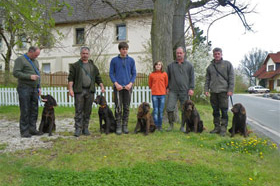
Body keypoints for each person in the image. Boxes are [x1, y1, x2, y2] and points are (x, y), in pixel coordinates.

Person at [68, 46, 105, 137]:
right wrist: (70, 89)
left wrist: (101, 86)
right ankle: (78, 129)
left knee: (88, 110)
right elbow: (70, 78)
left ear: (89, 54)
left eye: (86, 53)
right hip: (79, 91)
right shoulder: (75, 66)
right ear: (80, 54)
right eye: (83, 53)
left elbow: (98, 77)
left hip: (90, 91)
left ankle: (85, 128)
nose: (85, 55)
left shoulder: (93, 66)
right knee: (79, 110)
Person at [13, 46, 43, 138]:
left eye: (38, 55)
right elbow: (16, 73)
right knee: (25, 109)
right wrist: (29, 77)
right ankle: (24, 131)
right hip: (24, 88)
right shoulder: (20, 60)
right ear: (30, 52)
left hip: (34, 88)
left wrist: (39, 87)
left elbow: (38, 75)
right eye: (35, 55)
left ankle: (32, 129)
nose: (36, 57)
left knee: (34, 109)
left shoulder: (35, 61)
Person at [204, 47, 234, 136]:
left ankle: (223, 128)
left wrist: (230, 89)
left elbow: (231, 78)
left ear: (221, 54)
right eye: (215, 54)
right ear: (213, 55)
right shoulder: (210, 67)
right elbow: (207, 79)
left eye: (218, 54)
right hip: (213, 91)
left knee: (224, 111)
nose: (217, 55)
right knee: (215, 110)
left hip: (224, 91)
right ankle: (217, 127)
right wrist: (206, 89)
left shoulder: (227, 64)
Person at [109, 42, 136, 135]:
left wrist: (130, 84)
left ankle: (125, 125)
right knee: (118, 107)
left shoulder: (131, 60)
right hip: (118, 88)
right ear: (119, 50)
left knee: (126, 107)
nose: (124, 50)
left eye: (126, 49)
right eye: (123, 49)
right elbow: (111, 73)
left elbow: (134, 73)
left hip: (128, 87)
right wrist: (116, 83)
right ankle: (119, 126)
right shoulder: (114, 60)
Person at [166, 47, 195, 132]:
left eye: (180, 53)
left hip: (185, 91)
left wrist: (191, 88)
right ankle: (171, 125)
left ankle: (182, 126)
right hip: (173, 91)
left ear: (184, 53)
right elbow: (167, 78)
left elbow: (192, 78)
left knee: (185, 109)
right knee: (169, 108)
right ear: (176, 54)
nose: (179, 54)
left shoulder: (189, 65)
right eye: (177, 53)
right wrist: (167, 87)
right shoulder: (170, 66)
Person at [148, 61, 168, 131]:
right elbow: (150, 85)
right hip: (154, 95)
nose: (158, 66)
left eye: (159, 65)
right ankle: (155, 125)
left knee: (161, 110)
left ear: (161, 66)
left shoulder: (164, 74)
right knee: (156, 110)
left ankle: (160, 126)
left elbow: (166, 84)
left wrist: (162, 89)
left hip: (162, 94)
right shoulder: (151, 75)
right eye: (156, 65)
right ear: (154, 66)